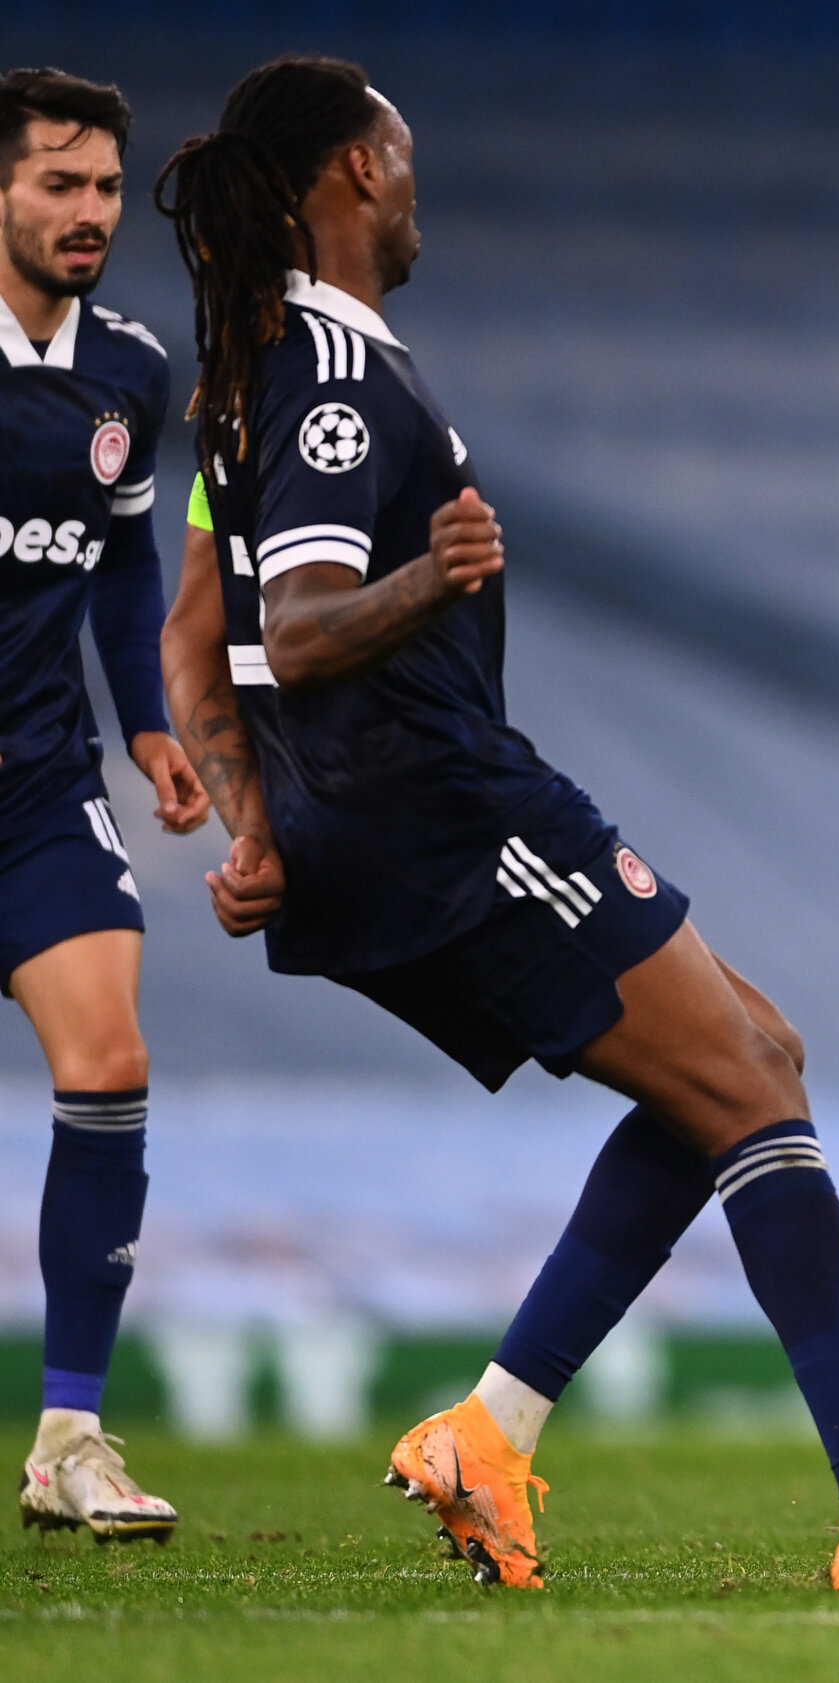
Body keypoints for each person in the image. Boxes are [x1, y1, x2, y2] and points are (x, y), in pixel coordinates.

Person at [155, 56, 839, 1593]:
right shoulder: (331, 375)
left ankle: (491, 1431)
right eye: (398, 145)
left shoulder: (249, 374)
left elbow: (199, 638)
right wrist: (432, 577)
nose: (413, 173)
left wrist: (256, 822)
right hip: (445, 807)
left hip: (369, 822)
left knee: (749, 1058)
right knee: (746, 1082)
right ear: (354, 175)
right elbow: (301, 628)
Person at [0, 67, 208, 1545]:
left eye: (105, 188)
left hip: (34, 782)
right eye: (59, 184)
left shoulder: (131, 371)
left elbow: (128, 567)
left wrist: (151, 725)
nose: (90, 214)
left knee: (112, 1052)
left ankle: (70, 1430)